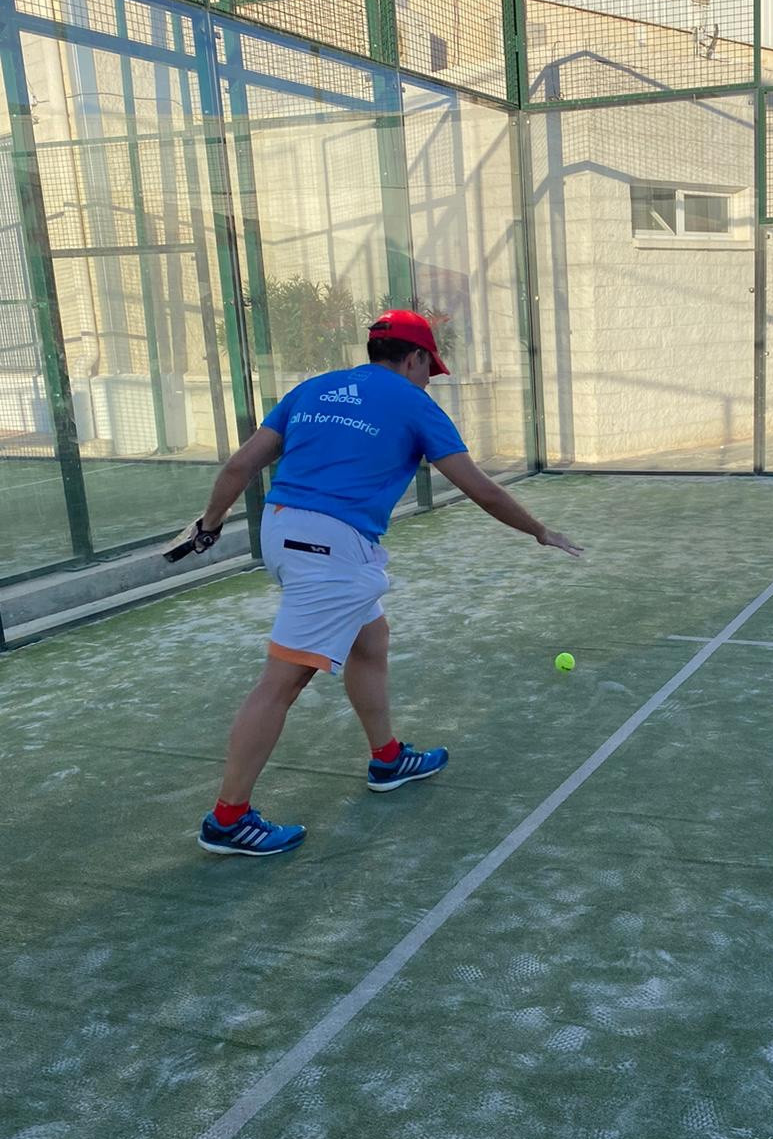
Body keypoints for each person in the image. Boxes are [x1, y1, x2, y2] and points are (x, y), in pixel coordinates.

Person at [190, 309, 582, 857]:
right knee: (282, 682)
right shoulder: (414, 404)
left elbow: (240, 467)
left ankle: (388, 758)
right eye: (429, 369)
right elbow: (481, 489)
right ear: (415, 357)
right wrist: (539, 530)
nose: (428, 380)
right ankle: (227, 819)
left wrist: (209, 526)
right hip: (330, 549)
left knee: (370, 640)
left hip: (282, 532)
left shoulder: (313, 390)